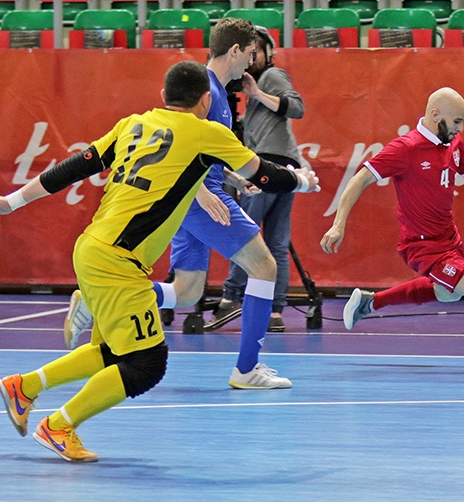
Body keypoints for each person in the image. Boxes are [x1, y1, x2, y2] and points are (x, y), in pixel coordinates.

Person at [0, 60, 318, 462]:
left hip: (92, 248)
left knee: (118, 352)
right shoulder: (208, 132)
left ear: (162, 97)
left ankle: (23, 387)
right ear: (206, 100)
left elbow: (73, 167)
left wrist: (12, 201)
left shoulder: (133, 123)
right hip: (118, 260)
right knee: (146, 365)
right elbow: (266, 174)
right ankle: (59, 425)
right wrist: (302, 179)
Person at [66, 19, 302, 389]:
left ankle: (95, 300)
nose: (253, 62)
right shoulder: (205, 90)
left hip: (194, 198)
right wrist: (203, 193)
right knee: (263, 266)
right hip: (197, 201)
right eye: (250, 53)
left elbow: (202, 156)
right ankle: (246, 370)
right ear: (235, 51)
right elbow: (177, 151)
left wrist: (235, 179)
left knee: (189, 290)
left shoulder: (220, 94)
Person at [320, 87, 464, 345]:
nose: (460, 128)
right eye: (456, 121)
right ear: (435, 114)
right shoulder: (405, 148)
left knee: (448, 294)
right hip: (422, 246)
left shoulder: (454, 144)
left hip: (449, 238)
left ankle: (370, 302)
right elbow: (359, 179)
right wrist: (338, 225)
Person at [214, 26, 305, 333]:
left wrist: (256, 93)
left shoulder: (271, 77)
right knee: (277, 241)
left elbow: (297, 107)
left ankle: (230, 296)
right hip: (284, 165)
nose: (252, 57)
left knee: (246, 234)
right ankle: (276, 311)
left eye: (258, 51)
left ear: (269, 53)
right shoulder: (251, 83)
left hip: (267, 164)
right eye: (248, 52)